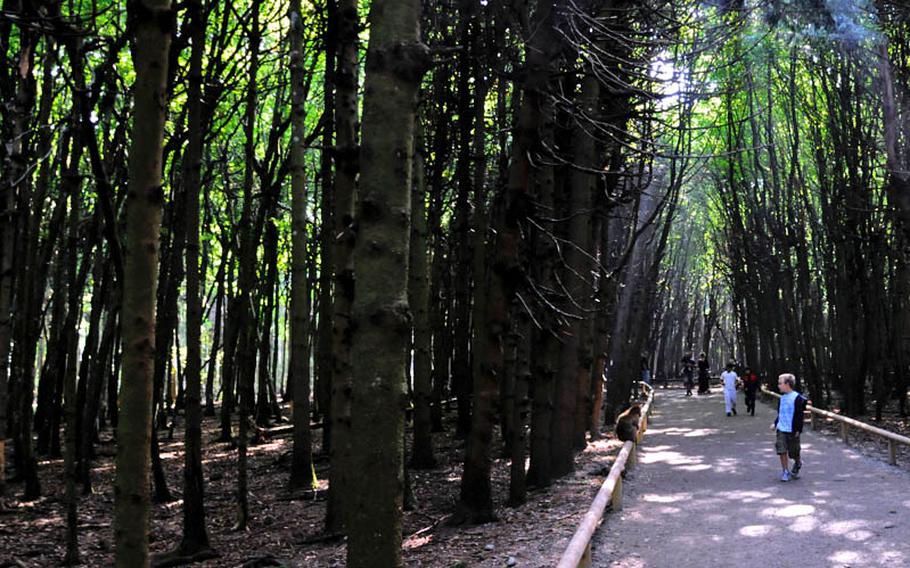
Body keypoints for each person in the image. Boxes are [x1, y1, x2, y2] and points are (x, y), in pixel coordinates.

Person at [770, 373, 809, 482]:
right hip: (781, 429)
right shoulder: (781, 398)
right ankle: (785, 471)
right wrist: (775, 423)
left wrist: (798, 430)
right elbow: (781, 414)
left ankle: (798, 462)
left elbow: (799, 415)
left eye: (780, 383)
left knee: (793, 452)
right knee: (781, 450)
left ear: (787, 384)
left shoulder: (797, 398)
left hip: (792, 430)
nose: (778, 385)